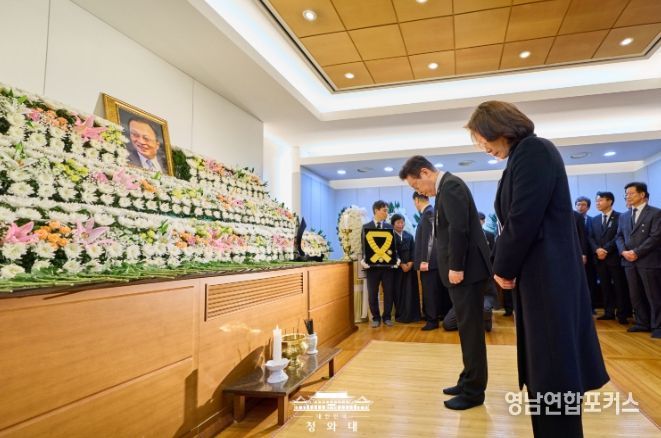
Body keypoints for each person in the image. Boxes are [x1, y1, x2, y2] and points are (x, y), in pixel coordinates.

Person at [466, 100, 608, 437]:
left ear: (498, 127)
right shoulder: (521, 156)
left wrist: (502, 268)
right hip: (540, 276)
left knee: (554, 372)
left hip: (548, 277)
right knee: (546, 371)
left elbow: (522, 218)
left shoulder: (534, 151)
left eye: (481, 139)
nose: (483, 147)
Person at [400, 156, 490, 411]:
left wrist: (456, 267)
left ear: (425, 172)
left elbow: (459, 230)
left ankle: (474, 392)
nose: (419, 192)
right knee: (466, 330)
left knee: (471, 332)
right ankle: (467, 379)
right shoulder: (446, 188)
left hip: (467, 272)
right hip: (464, 272)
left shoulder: (450, 186)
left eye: (416, 186)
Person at [616, 182, 661, 339]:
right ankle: (642, 322)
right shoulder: (624, 216)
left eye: (631, 193)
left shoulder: (655, 213)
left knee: (653, 296)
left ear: (642, 195)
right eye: (626, 194)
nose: (627, 196)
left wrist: (637, 252)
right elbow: (619, 236)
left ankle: (658, 326)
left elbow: (655, 237)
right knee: (635, 295)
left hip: (648, 261)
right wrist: (623, 252)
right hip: (629, 262)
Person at [588, 191, 631, 324]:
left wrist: (606, 249)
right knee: (605, 286)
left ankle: (622, 314)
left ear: (610, 201)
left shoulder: (621, 217)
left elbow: (619, 236)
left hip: (614, 258)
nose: (597, 203)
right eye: (596, 201)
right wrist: (597, 249)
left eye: (600, 200)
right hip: (599, 259)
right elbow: (590, 237)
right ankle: (608, 312)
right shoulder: (594, 219)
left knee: (619, 286)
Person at [413, 192, 451, 330]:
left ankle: (432, 320)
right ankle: (438, 315)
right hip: (434, 262)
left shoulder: (428, 213)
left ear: (417, 200)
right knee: (436, 290)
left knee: (430, 292)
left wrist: (425, 260)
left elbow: (430, 238)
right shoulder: (431, 212)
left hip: (429, 262)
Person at [361, 200, 397, 328]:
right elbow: (363, 247)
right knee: (372, 293)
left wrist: (396, 259)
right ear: (376, 210)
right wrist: (364, 259)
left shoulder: (390, 227)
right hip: (372, 268)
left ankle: (387, 317)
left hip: (387, 267)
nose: (387, 213)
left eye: (387, 210)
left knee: (389, 292)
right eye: (384, 210)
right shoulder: (366, 227)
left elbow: (393, 247)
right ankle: (376, 317)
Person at [391, 214, 421, 323]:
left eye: (402, 222)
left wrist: (411, 263)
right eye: (398, 222)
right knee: (399, 291)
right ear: (393, 224)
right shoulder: (390, 236)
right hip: (398, 268)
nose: (400, 224)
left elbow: (414, 250)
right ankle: (401, 315)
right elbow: (392, 252)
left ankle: (413, 315)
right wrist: (401, 264)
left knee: (411, 291)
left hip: (410, 268)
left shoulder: (409, 236)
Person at [575, 196, 599, 311]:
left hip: (591, 257)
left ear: (588, 207)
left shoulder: (593, 221)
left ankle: (591, 306)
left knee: (591, 281)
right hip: (576, 256)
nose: (580, 207)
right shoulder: (571, 220)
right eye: (578, 204)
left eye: (583, 204)